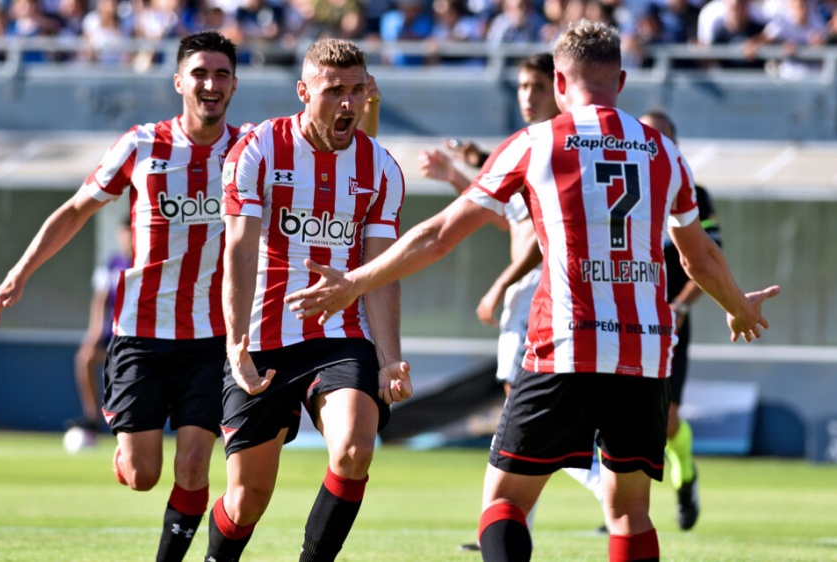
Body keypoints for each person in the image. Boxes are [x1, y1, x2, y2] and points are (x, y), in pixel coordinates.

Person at [284, 19, 780, 562]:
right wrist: (739, 305)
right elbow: (699, 256)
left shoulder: (535, 143)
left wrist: (355, 280)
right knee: (629, 513)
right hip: (644, 351)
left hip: (564, 344)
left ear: (560, 85)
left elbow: (440, 235)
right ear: (622, 78)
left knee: (503, 504)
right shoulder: (663, 152)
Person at [0, 31, 253, 562]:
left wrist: (364, 102)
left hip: (213, 336)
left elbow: (322, 149)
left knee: (195, 463)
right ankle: (127, 450)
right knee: (143, 475)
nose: (210, 84)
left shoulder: (247, 151)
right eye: (199, 73)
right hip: (141, 334)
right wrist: (19, 272)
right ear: (179, 82)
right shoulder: (141, 145)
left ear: (235, 85)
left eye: (221, 75)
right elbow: (77, 209)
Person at [204, 37, 410, 562]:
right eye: (333, 90)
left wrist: (389, 360)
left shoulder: (382, 168)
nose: (347, 103)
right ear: (303, 92)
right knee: (247, 499)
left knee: (354, 450)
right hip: (264, 334)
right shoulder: (257, 149)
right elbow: (240, 251)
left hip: (341, 336)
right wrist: (236, 344)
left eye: (357, 91)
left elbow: (382, 272)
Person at [418, 53, 604, 550]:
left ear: (558, 87)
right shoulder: (532, 146)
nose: (527, 95)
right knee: (522, 419)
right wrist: (461, 170)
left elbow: (531, 235)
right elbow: (506, 213)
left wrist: (500, 284)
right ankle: (513, 520)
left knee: (524, 417)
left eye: (537, 86)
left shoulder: (553, 146)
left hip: (539, 297)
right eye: (522, 86)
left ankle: (597, 490)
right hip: (544, 299)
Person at [639, 108, 721, 531]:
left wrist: (682, 306)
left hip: (669, 324)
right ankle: (620, 507)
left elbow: (707, 257)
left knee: (666, 422)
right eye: (645, 135)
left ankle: (685, 473)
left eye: (661, 137)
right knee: (616, 412)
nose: (652, 143)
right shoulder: (621, 182)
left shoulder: (691, 192)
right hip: (623, 317)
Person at [66, 219, 133, 449]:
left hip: (135, 333)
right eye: (123, 233)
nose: (127, 238)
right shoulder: (113, 263)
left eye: (131, 233)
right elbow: (101, 299)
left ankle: (127, 424)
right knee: (84, 359)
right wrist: (94, 331)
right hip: (111, 333)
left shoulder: (145, 261)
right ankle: (92, 418)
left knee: (127, 375)